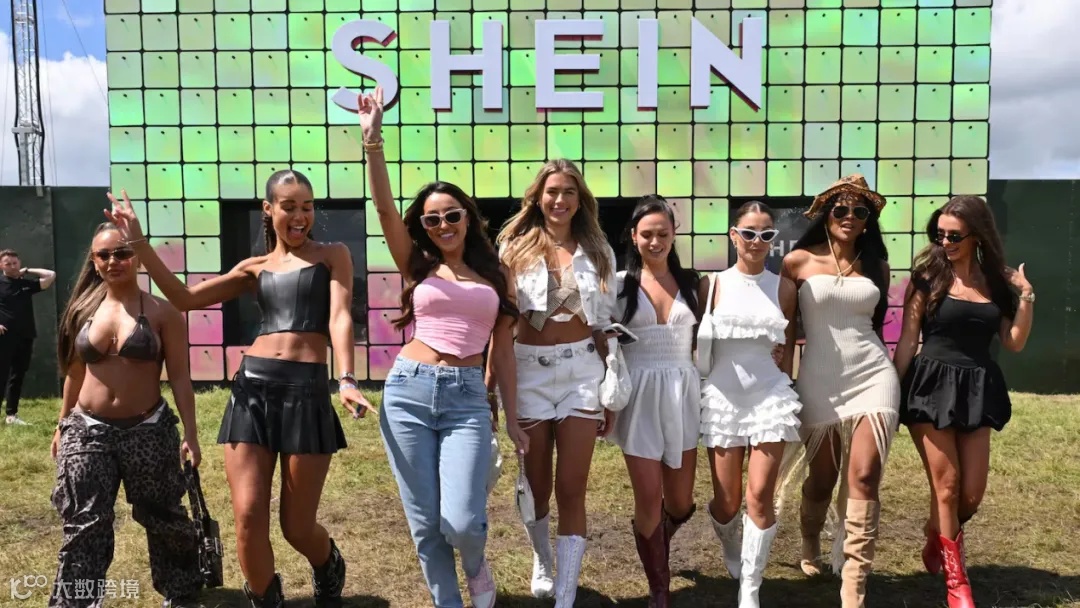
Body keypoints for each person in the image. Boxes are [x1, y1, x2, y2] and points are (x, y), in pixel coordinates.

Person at [105, 173, 374, 608]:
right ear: (269, 209)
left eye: (307, 207)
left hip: (306, 393)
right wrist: (138, 242)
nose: (300, 216)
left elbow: (340, 316)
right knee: (247, 516)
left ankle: (328, 564)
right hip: (251, 391)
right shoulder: (254, 268)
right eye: (289, 206)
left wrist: (346, 378)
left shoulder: (332, 255)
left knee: (296, 527)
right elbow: (185, 298)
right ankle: (266, 600)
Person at [358, 86, 528, 608]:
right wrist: (372, 144)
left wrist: (512, 418)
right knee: (426, 523)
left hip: (466, 398)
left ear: (467, 218)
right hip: (408, 393)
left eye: (451, 215)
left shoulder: (497, 275)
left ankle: (475, 564)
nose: (442, 225)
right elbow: (385, 211)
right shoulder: (419, 265)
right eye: (432, 219)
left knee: (460, 521)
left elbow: (503, 352)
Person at [50, 222, 203, 608]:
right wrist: (62, 424)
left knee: (163, 515)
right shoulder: (83, 309)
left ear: (138, 257)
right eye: (103, 255)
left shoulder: (164, 312)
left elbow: (180, 378)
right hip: (87, 429)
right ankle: (77, 600)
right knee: (84, 521)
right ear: (94, 260)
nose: (113, 261)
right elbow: (74, 373)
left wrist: (191, 433)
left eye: (122, 252)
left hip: (148, 430)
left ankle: (181, 590)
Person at [893, 195, 1034, 608]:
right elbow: (908, 341)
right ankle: (958, 582)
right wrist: (892, 390)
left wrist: (1026, 296)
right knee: (948, 485)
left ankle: (936, 532)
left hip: (976, 389)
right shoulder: (927, 279)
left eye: (954, 236)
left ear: (977, 236)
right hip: (930, 386)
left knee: (970, 495)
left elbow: (1014, 341)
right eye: (940, 235)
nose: (945, 242)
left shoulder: (996, 284)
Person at [493, 158, 617, 606]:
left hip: (582, 373)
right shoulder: (513, 248)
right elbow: (501, 326)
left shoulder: (599, 250)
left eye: (569, 192)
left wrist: (612, 386)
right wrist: (492, 389)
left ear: (580, 200)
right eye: (552, 192)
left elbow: (604, 324)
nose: (560, 200)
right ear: (538, 198)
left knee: (571, 486)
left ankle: (566, 595)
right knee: (538, 485)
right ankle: (542, 557)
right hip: (529, 372)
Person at [779, 174, 900, 608]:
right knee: (823, 478)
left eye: (860, 211)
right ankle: (810, 538)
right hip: (819, 379)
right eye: (841, 209)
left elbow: (875, 327)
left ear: (868, 221)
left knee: (864, 476)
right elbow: (786, 331)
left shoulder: (877, 266)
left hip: (873, 376)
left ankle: (853, 586)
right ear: (827, 215)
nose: (850, 216)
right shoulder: (797, 262)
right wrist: (784, 381)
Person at [697, 201, 802, 608]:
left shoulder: (784, 288)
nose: (757, 241)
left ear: (773, 239)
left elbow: (786, 346)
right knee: (727, 501)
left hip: (769, 398)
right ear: (733, 235)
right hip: (722, 398)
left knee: (759, 496)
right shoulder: (711, 285)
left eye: (766, 234)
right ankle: (730, 543)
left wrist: (784, 374)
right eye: (749, 233)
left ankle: (750, 590)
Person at [609, 195, 701, 605]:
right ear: (633, 236)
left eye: (663, 233)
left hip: (684, 393)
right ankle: (659, 588)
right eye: (647, 234)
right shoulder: (618, 285)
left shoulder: (695, 283)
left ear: (674, 233)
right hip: (640, 395)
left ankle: (660, 537)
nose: (655, 241)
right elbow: (600, 337)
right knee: (648, 497)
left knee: (680, 502)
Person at [0, 248, 55, 425]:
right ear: (1, 265)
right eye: (7, 263)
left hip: (25, 335)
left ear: (19, 263)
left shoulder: (25, 284)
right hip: (4, 336)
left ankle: (11, 415)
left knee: (17, 376)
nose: (12, 266)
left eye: (14, 263)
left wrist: (28, 270)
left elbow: (50, 276)